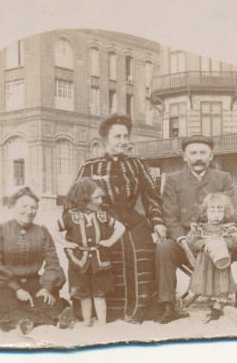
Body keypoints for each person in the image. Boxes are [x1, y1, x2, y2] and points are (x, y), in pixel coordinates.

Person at [156, 135, 237, 324]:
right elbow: (170, 217)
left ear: (211, 156)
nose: (198, 157)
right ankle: (168, 304)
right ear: (185, 157)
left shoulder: (223, 178)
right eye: (193, 153)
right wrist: (184, 243)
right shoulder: (174, 180)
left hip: (220, 240)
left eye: (203, 153)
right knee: (163, 248)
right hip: (188, 241)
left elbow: (234, 213)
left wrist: (222, 241)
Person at [72, 114, 165, 323]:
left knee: (141, 247)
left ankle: (139, 309)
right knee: (102, 253)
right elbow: (74, 201)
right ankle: (108, 312)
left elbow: (151, 197)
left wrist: (158, 222)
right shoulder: (90, 167)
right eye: (117, 136)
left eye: (125, 136)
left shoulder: (137, 165)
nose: (123, 141)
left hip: (133, 220)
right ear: (105, 139)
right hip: (101, 223)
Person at [0, 187, 71, 334]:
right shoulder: (0, 230)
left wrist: (46, 287)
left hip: (35, 283)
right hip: (5, 283)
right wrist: (16, 288)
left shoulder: (42, 232)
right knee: (7, 302)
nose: (29, 211)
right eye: (24, 206)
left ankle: (40, 318)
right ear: (12, 206)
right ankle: (24, 321)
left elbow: (53, 264)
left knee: (46, 300)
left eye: (33, 207)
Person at [54, 178, 126, 327]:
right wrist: (66, 243)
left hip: (99, 261)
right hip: (79, 261)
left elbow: (121, 227)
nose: (100, 201)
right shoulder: (71, 216)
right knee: (84, 294)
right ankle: (87, 321)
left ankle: (102, 323)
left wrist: (110, 241)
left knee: (100, 293)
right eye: (96, 198)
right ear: (84, 198)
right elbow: (53, 229)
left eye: (101, 197)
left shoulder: (102, 215)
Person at [186, 193, 237, 323]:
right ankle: (211, 300)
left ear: (225, 212)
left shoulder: (227, 228)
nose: (216, 215)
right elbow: (192, 241)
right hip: (205, 261)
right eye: (212, 211)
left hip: (221, 259)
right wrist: (203, 244)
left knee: (222, 280)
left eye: (220, 211)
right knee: (207, 280)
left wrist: (221, 243)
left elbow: (235, 241)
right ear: (205, 212)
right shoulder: (200, 228)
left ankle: (218, 305)